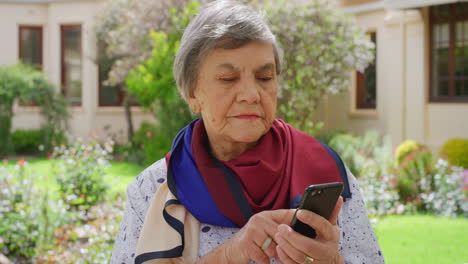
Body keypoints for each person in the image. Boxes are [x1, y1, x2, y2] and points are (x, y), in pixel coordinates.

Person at [111, 1, 385, 263]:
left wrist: (331, 261)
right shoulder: (151, 190)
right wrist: (230, 254)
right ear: (192, 93)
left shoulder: (325, 171)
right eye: (228, 79)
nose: (251, 94)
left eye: (265, 77)